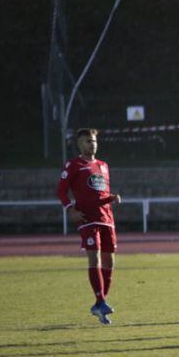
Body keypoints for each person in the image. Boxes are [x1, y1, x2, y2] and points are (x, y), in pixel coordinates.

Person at [56, 128, 122, 324]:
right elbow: (61, 190)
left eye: (93, 141)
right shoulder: (74, 164)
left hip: (106, 218)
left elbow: (100, 193)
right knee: (95, 258)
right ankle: (101, 301)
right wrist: (70, 209)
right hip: (87, 218)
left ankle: (100, 304)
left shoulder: (103, 165)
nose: (91, 144)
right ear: (79, 144)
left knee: (110, 262)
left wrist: (112, 197)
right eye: (87, 141)